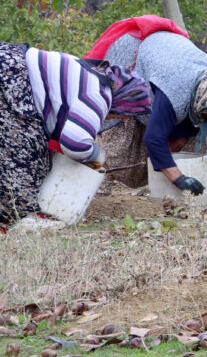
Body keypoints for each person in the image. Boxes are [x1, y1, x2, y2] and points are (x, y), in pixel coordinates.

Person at [0, 43, 150, 224]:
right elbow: (75, 144)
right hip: (13, 79)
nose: (125, 120)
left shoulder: (95, 78)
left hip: (11, 68)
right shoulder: (100, 96)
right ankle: (17, 224)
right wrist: (97, 160)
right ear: (126, 102)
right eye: (129, 114)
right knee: (24, 165)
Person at [92, 17, 207, 194]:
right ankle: (99, 188)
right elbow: (154, 138)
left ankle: (176, 198)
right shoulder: (174, 92)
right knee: (118, 150)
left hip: (173, 62)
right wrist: (179, 178)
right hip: (135, 56)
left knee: (189, 151)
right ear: (198, 101)